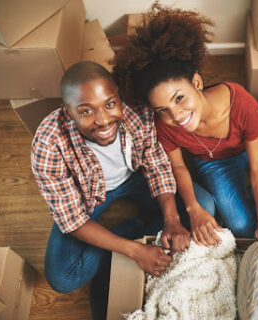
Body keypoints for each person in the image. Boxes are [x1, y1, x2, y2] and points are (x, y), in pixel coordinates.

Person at [113, 5, 258, 262]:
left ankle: (257, 198)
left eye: (179, 98)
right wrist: (194, 208)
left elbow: (257, 167)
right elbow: (177, 167)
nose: (176, 116)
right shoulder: (163, 124)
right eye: (162, 109)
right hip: (213, 162)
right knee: (242, 228)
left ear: (197, 83)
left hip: (255, 143)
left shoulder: (240, 101)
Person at [30, 61, 214, 320]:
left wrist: (172, 220)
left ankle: (128, 234)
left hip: (135, 178)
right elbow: (72, 221)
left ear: (118, 95)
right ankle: (132, 233)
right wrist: (135, 251)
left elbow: (157, 164)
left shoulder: (138, 108)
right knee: (63, 278)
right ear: (68, 113)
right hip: (88, 198)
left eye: (110, 104)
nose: (103, 120)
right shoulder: (48, 145)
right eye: (86, 111)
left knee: (204, 203)